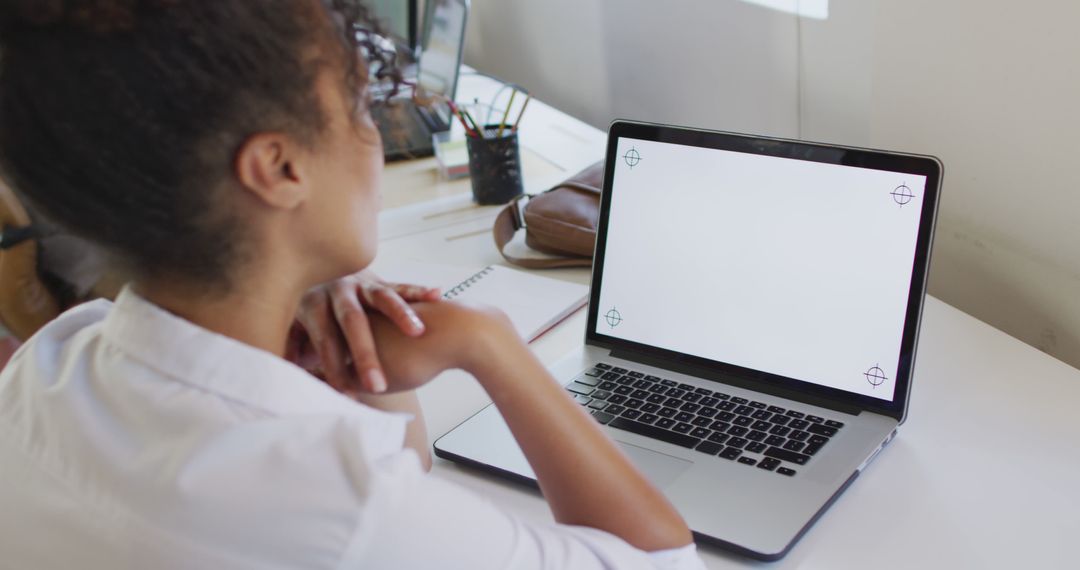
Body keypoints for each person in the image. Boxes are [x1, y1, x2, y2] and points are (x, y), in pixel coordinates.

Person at [0, 1, 706, 568]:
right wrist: (490, 343)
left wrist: (310, 282)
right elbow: (664, 561)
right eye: (363, 109)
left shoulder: (48, 367)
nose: (375, 136)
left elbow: (405, 478)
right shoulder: (331, 510)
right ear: (278, 169)